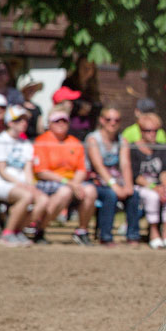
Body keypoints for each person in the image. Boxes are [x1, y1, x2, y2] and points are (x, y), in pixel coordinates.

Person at [33, 105, 98, 245]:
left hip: (72, 182)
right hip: (49, 182)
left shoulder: (74, 143)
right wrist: (70, 183)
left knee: (90, 191)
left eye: (64, 121)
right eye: (57, 121)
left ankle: (82, 231)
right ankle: (40, 229)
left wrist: (75, 183)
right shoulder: (42, 141)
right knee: (65, 192)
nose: (61, 124)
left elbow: (81, 169)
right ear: (49, 124)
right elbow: (42, 172)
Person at [0, 106, 49, 246]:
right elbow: (2, 171)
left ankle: (17, 231)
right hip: (2, 183)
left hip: (21, 185)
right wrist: (22, 185)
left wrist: (31, 186)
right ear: (10, 123)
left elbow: (28, 171)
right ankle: (7, 234)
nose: (24, 123)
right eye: (19, 120)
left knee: (43, 200)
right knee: (26, 196)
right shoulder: (1, 140)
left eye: (25, 120)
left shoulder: (26, 143)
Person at [85, 106, 141, 246]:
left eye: (117, 120)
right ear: (101, 120)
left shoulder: (122, 140)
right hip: (95, 182)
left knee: (133, 195)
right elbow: (98, 166)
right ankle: (106, 236)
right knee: (110, 195)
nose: (113, 123)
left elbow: (125, 164)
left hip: (115, 182)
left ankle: (133, 236)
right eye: (108, 119)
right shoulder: (93, 139)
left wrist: (128, 186)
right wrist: (115, 186)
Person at [131, 113, 166, 249]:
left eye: (155, 130)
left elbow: (163, 171)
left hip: (157, 185)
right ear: (140, 131)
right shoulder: (134, 149)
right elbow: (135, 176)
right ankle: (154, 232)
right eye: (148, 130)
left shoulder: (160, 148)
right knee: (152, 197)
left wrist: (164, 186)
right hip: (141, 186)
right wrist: (153, 187)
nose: (152, 134)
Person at [61, 56, 101, 140]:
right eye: (84, 67)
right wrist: (80, 106)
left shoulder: (93, 86)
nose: (86, 70)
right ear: (78, 67)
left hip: (88, 129)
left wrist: (90, 108)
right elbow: (62, 100)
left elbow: (98, 106)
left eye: (89, 68)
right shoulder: (68, 83)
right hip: (71, 129)